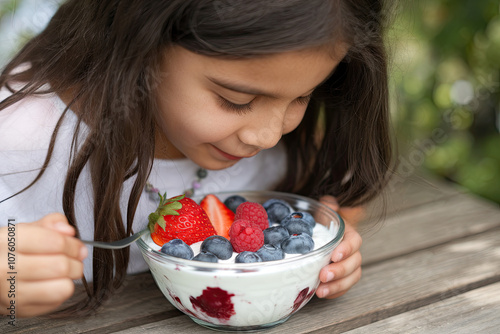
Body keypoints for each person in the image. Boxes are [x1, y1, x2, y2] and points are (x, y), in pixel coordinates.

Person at [0, 0, 393, 318]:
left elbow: (335, 196)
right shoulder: (19, 139)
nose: (268, 135)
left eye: (303, 96)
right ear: (142, 44)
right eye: (237, 100)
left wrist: (330, 249)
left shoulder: (284, 142)